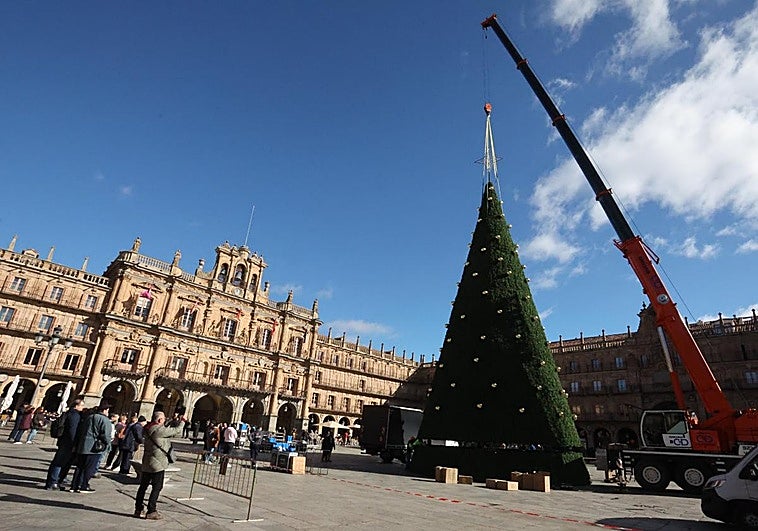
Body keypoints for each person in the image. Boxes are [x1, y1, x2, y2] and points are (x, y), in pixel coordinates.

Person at [134, 411, 184, 520]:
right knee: (157, 487)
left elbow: (166, 429)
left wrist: (173, 420)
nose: (165, 420)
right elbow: (177, 431)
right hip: (158, 464)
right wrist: (182, 422)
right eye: (164, 419)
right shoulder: (159, 430)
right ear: (160, 420)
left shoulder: (147, 428)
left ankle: (138, 509)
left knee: (143, 487)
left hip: (147, 462)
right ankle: (151, 510)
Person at [70, 401, 112, 493]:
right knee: (90, 467)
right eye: (107, 410)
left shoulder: (89, 417)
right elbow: (106, 435)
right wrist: (108, 444)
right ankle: (84, 486)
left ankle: (74, 485)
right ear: (104, 410)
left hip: (82, 445)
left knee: (80, 467)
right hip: (94, 448)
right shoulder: (105, 420)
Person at [45, 398, 85, 490]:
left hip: (63, 441)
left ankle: (55, 482)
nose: (83, 407)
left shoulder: (68, 413)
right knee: (60, 463)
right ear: (76, 406)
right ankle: (53, 482)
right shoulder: (75, 415)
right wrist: (73, 444)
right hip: (68, 443)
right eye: (82, 405)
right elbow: (72, 431)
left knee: (60, 462)